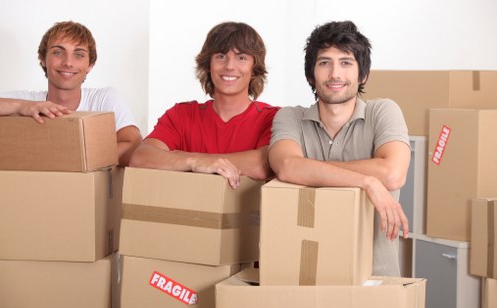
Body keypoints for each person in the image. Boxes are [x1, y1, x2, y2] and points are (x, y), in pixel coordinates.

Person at [268, 21, 411, 276]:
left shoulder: (383, 112)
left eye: (346, 62)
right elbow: (287, 166)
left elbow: (392, 174)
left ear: (362, 75)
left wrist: (310, 171)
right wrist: (367, 181)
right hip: (307, 275)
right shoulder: (289, 117)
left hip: (375, 275)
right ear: (311, 74)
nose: (335, 74)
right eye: (324, 62)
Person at [129, 21, 279, 188]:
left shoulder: (272, 118)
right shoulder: (181, 115)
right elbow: (140, 157)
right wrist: (195, 162)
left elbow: (263, 165)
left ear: (255, 68)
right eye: (221, 56)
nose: (229, 66)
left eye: (241, 57)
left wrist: (177, 158)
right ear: (208, 65)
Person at [0, 21, 142, 167]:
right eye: (58, 52)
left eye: (79, 55)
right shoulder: (29, 103)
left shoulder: (104, 99)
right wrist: (20, 106)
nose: (68, 63)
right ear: (43, 60)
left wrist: (69, 160)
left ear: (90, 65)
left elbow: (134, 146)